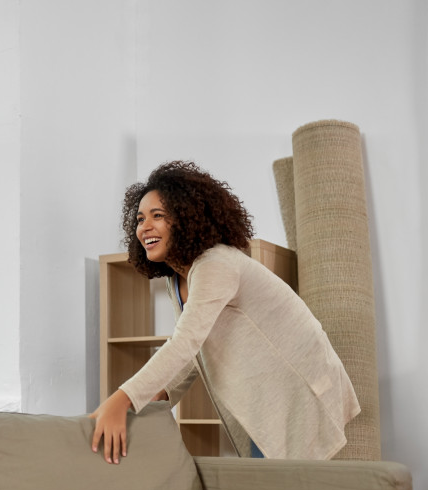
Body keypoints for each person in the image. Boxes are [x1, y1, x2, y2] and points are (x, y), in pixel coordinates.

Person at [90, 160, 359, 465]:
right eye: (140, 218)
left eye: (158, 216)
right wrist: (157, 394)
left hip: (297, 387)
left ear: (186, 218)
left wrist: (122, 398)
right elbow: (196, 351)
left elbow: (185, 342)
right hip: (266, 396)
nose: (145, 227)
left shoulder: (216, 264)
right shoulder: (176, 278)